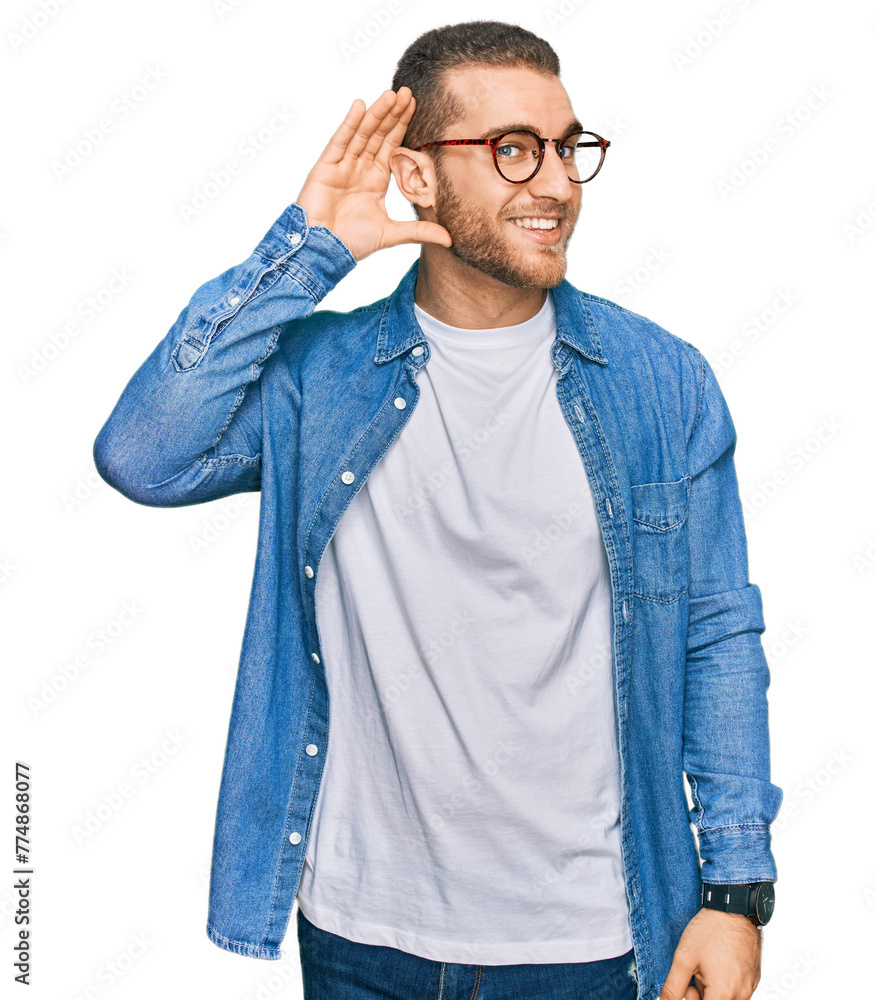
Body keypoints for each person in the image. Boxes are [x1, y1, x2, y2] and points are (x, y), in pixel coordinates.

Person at [92, 19, 782, 1000]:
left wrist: (735, 887)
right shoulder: (317, 378)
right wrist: (310, 250)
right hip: (362, 939)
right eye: (510, 149)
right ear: (417, 177)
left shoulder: (658, 382)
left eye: (565, 146)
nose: (553, 183)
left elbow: (717, 634)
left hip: (594, 941)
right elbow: (142, 454)